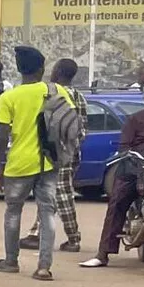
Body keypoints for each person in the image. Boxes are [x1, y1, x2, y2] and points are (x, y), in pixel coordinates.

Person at [0, 46, 59, 281]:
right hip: (49, 163)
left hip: (18, 164)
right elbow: (69, 124)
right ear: (42, 68)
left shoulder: (9, 97)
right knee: (47, 213)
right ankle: (44, 267)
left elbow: (1, 136)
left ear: (19, 69)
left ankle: (11, 261)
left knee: (13, 211)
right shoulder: (55, 91)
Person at [82, 74, 144, 267]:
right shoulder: (135, 120)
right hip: (137, 167)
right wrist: (132, 155)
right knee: (117, 201)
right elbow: (124, 146)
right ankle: (103, 254)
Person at [22, 58, 87, 253]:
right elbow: (82, 129)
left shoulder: (55, 94)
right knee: (49, 193)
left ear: (58, 72)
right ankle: (37, 233)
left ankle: (73, 238)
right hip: (71, 151)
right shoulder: (79, 96)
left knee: (62, 195)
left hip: (56, 153)